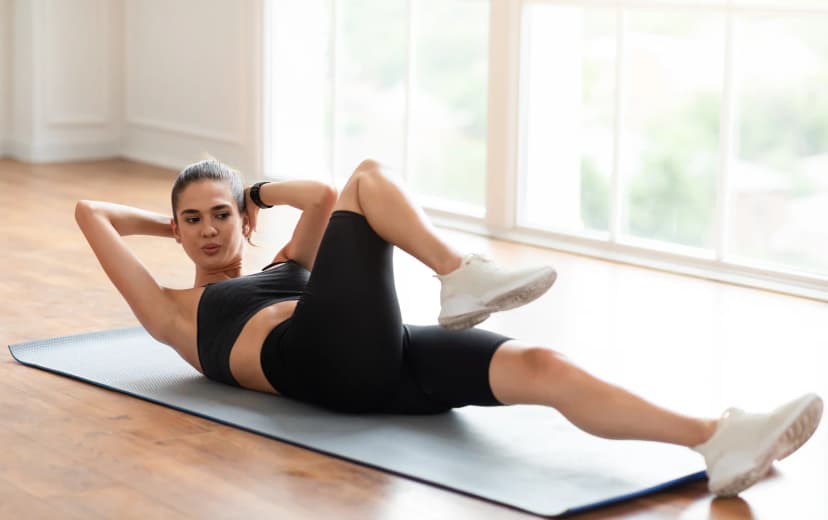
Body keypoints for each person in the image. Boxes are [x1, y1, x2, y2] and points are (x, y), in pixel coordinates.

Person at [75, 158, 822, 498]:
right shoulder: (172, 312)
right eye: (192, 220)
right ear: (176, 231)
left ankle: (714, 439)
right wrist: (167, 227)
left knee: (542, 364)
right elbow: (91, 214)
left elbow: (321, 196)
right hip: (317, 364)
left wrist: (257, 190)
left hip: (378, 359)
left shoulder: (290, 264)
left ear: (243, 219)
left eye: (221, 214)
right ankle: (457, 274)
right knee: (370, 178)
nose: (208, 231)